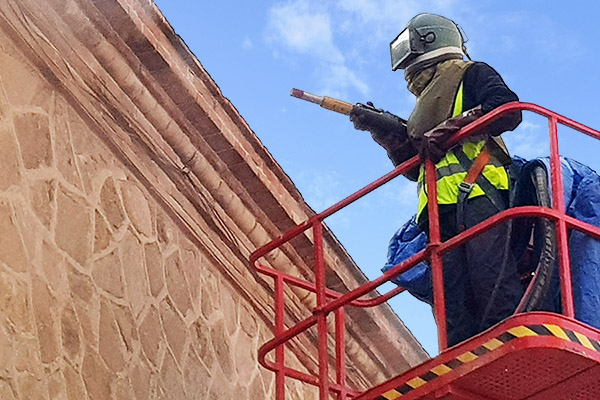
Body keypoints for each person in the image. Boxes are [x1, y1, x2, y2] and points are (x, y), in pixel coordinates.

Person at [349, 13, 524, 347]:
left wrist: (455, 127)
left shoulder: (471, 74)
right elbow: (416, 167)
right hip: (438, 211)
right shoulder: (424, 106)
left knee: (490, 279)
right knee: (452, 298)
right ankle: (462, 357)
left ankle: (508, 346)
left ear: (430, 41)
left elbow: (508, 109)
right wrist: (385, 132)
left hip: (481, 196)